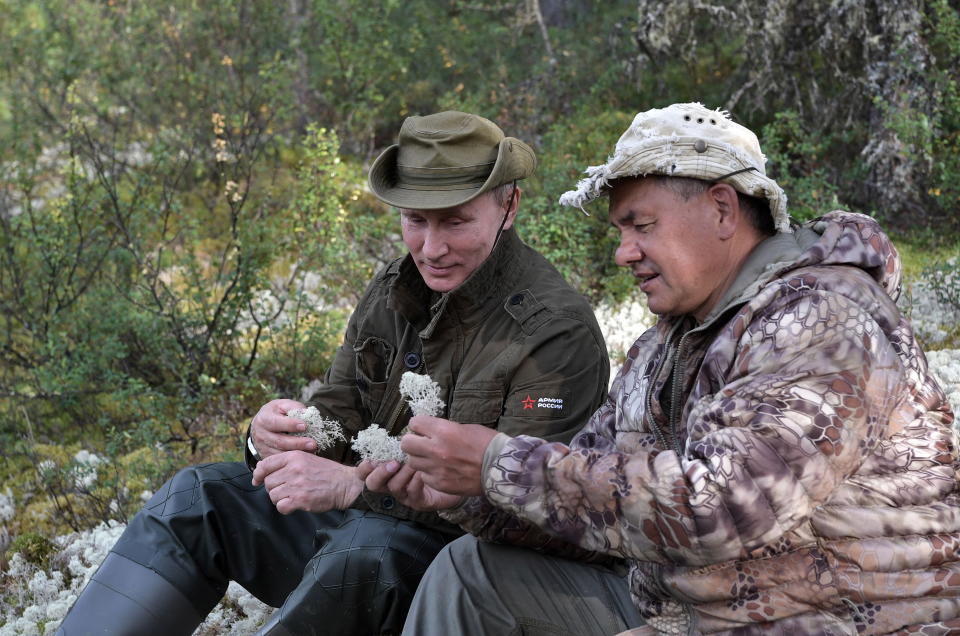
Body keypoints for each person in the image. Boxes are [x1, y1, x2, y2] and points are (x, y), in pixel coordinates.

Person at [364, 102, 959, 635]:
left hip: (847, 618)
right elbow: (595, 506)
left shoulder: (822, 320)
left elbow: (725, 507)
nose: (624, 251)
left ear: (723, 209)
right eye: (621, 230)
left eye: (641, 225)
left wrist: (500, 462)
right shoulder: (665, 346)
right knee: (472, 573)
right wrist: (464, 490)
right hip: (697, 610)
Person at [57, 111, 610, 636]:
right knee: (195, 499)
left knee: (365, 554)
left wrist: (351, 489)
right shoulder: (396, 288)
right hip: (360, 533)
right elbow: (339, 413)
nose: (431, 248)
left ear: (508, 206)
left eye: (456, 221)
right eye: (415, 221)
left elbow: (527, 512)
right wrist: (273, 436)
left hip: (455, 577)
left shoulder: (554, 332)